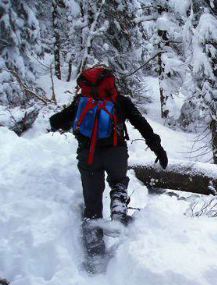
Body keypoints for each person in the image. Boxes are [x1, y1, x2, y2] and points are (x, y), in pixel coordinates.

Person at [50, 65, 168, 269]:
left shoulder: (81, 102)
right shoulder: (120, 102)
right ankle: (118, 211)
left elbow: (57, 121)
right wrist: (158, 148)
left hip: (88, 156)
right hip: (116, 152)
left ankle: (95, 255)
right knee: (118, 183)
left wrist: (55, 123)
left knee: (92, 203)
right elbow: (141, 124)